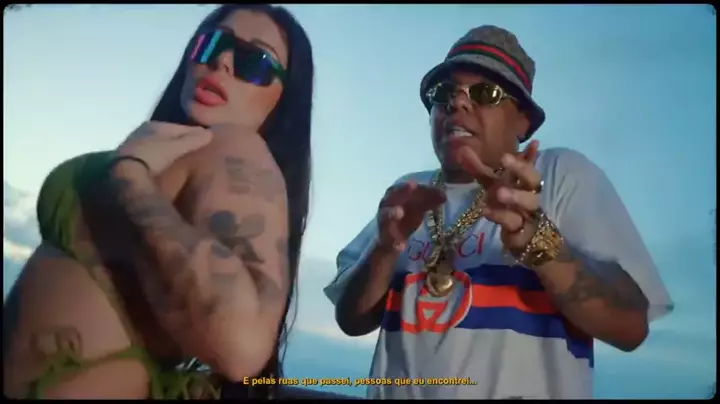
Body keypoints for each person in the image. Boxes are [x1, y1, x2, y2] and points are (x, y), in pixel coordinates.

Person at [323, 25, 674, 399]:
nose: (457, 104)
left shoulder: (558, 175)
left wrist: (539, 242)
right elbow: (352, 320)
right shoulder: (409, 193)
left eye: (485, 93)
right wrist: (383, 250)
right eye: (444, 93)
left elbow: (630, 328)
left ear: (523, 120)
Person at [2, 4, 313, 399]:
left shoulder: (237, 149)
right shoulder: (169, 146)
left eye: (254, 62)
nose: (221, 62)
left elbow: (242, 346)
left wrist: (131, 178)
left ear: (282, 101)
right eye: (211, 43)